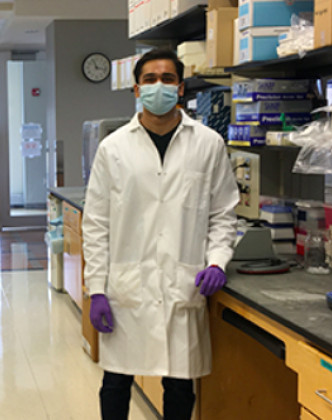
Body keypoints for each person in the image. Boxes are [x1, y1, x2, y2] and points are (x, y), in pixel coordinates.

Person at [82, 49, 239, 420]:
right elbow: (96, 224)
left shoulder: (208, 143)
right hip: (127, 287)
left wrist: (217, 261)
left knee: (180, 384)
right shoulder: (113, 148)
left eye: (167, 79)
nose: (159, 86)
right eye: (150, 79)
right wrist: (97, 289)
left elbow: (223, 213)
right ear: (137, 88)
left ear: (181, 88)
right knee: (116, 382)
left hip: (181, 284)